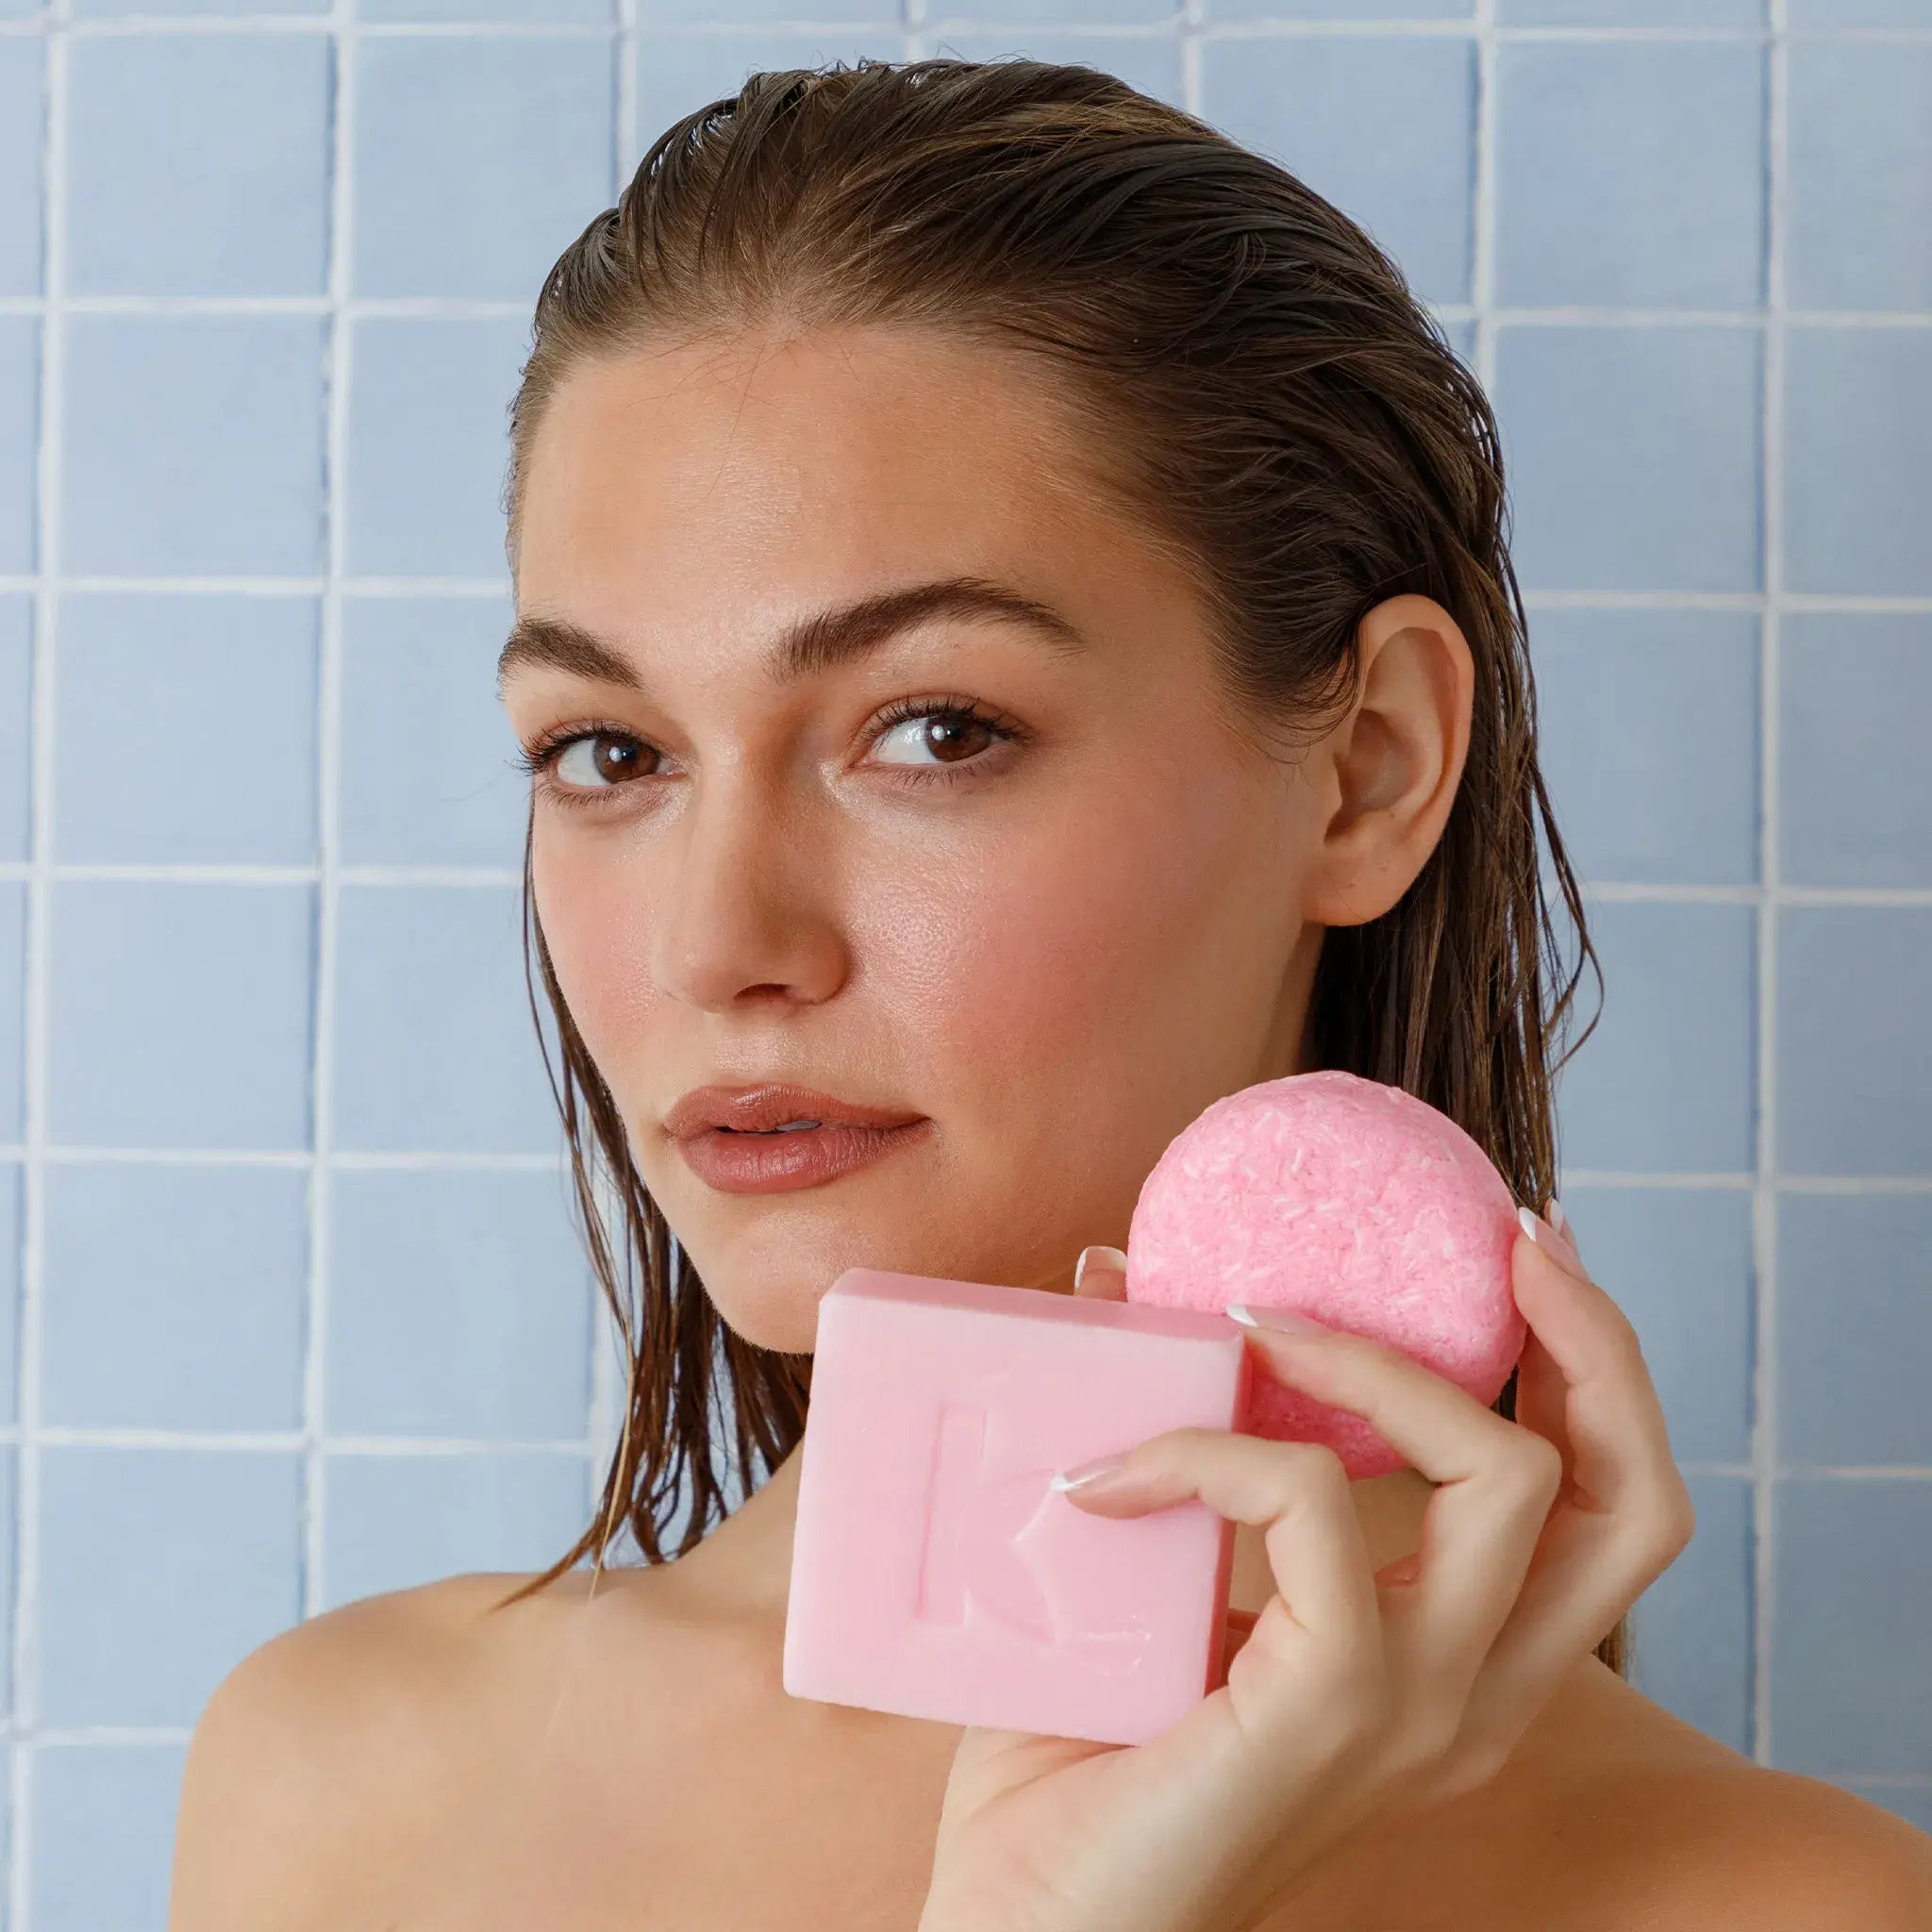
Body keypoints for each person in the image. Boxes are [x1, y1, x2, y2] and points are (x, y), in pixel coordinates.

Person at [167, 57, 1932, 1931]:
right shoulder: (346, 1792)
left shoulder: (1771, 1901)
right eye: (609, 752)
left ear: (1370, 768)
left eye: (932, 729)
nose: (714, 944)